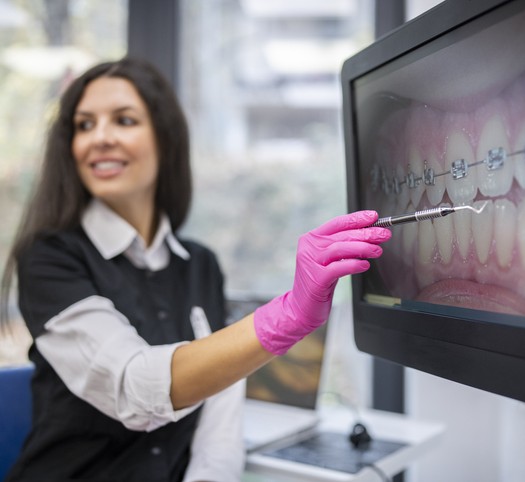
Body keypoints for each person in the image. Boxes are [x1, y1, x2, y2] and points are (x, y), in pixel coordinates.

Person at [0, 57, 391, 482]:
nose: (101, 138)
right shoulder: (50, 257)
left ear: (165, 139)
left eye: (124, 120)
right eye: (84, 125)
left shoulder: (200, 264)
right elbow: (132, 387)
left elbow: (218, 423)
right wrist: (288, 316)